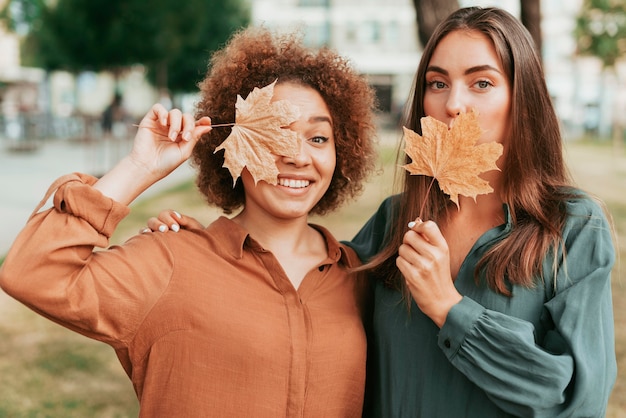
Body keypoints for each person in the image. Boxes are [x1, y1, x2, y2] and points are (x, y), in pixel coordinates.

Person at [148, 7, 617, 417]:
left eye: (482, 83)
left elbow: (577, 399)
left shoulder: (572, 229)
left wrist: (448, 308)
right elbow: (301, 288)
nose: (453, 104)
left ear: (523, 99)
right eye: (437, 83)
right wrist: (214, 250)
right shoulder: (397, 221)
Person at [0, 26, 378, 417]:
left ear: (342, 151)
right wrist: (139, 167)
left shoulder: (362, 278)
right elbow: (32, 272)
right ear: (232, 142)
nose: (298, 156)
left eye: (318, 138)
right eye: (276, 133)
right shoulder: (170, 262)